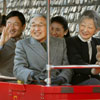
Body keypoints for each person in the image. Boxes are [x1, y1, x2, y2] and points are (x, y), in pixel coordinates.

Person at [13, 14, 73, 85]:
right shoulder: (23, 44)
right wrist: (32, 74)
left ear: (49, 28)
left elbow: (68, 67)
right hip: (36, 85)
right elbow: (18, 69)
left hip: (58, 85)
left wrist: (62, 78)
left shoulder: (60, 42)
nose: (36, 29)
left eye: (40, 25)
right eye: (33, 25)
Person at [66, 10, 100, 85]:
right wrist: (93, 69)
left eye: (90, 27)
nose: (85, 30)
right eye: (83, 25)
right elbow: (76, 60)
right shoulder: (70, 42)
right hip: (77, 81)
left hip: (95, 80)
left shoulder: (97, 42)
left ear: (96, 30)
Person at [0, 10, 26, 77]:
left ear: (23, 27)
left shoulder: (26, 44)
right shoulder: (1, 41)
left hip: (19, 83)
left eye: (16, 24)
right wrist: (1, 43)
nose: (12, 28)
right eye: (9, 24)